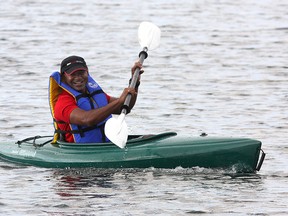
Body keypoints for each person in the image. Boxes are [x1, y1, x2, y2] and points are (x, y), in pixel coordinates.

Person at [49, 55, 142, 143]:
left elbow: (125, 107)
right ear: (63, 78)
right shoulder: (63, 103)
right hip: (81, 151)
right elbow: (87, 119)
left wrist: (134, 82)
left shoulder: (93, 93)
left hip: (107, 144)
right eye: (72, 74)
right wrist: (119, 101)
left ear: (87, 72)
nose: (78, 78)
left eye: (81, 73)